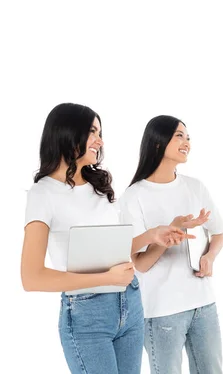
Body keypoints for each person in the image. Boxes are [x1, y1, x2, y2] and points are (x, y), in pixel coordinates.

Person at [21, 103, 191, 374]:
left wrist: (152, 236)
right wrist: (106, 279)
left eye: (100, 132)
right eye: (92, 131)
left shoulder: (98, 187)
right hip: (88, 314)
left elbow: (109, 249)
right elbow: (32, 278)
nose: (100, 141)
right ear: (67, 132)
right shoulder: (43, 195)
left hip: (130, 303)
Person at [120, 115, 223, 374]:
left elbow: (219, 232)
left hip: (203, 304)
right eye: (179, 135)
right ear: (157, 143)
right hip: (162, 311)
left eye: (188, 137)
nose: (186, 142)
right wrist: (168, 235)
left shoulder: (195, 187)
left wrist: (210, 257)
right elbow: (140, 264)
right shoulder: (134, 196)